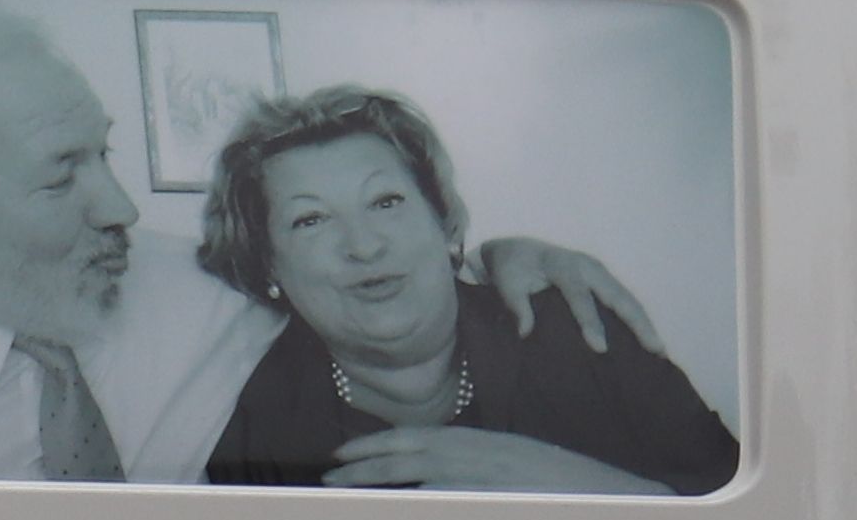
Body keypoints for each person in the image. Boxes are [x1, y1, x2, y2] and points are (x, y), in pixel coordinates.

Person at [0, 0, 665, 484]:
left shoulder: (184, 288)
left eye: (102, 153)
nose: (120, 208)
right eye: (59, 173)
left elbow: (351, 268)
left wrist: (508, 256)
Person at [195, 82, 739, 496]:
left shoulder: (579, 331)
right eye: (310, 220)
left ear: (446, 224)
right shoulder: (254, 421)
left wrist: (582, 489)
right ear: (267, 265)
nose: (362, 246)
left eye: (386, 202)